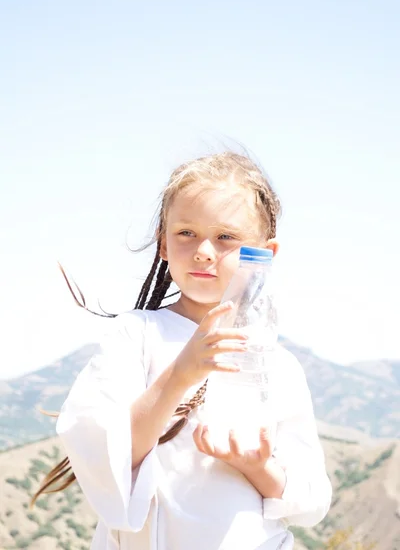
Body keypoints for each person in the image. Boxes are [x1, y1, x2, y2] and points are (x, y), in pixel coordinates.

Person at [32, 149, 332, 549]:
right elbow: (102, 452)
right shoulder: (134, 336)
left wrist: (257, 468)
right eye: (186, 233)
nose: (204, 251)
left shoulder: (278, 365)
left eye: (226, 237)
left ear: (265, 254)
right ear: (164, 244)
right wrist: (181, 373)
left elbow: (309, 499)